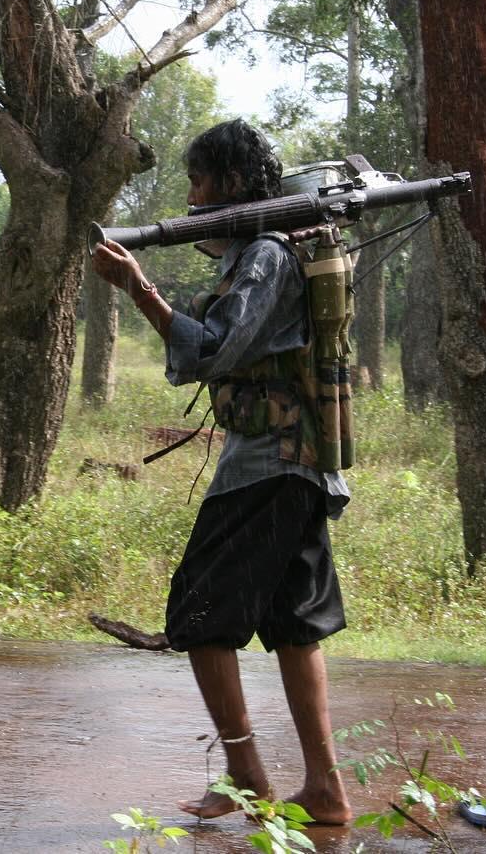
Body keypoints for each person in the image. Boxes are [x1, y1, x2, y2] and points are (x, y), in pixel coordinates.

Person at [91, 118, 352, 824]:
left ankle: (245, 779)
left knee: (199, 619)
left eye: (200, 181)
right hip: (291, 466)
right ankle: (325, 792)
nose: (193, 196)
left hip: (269, 469)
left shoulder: (267, 255)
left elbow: (211, 350)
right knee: (293, 625)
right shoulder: (271, 253)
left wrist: (137, 286)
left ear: (233, 184)